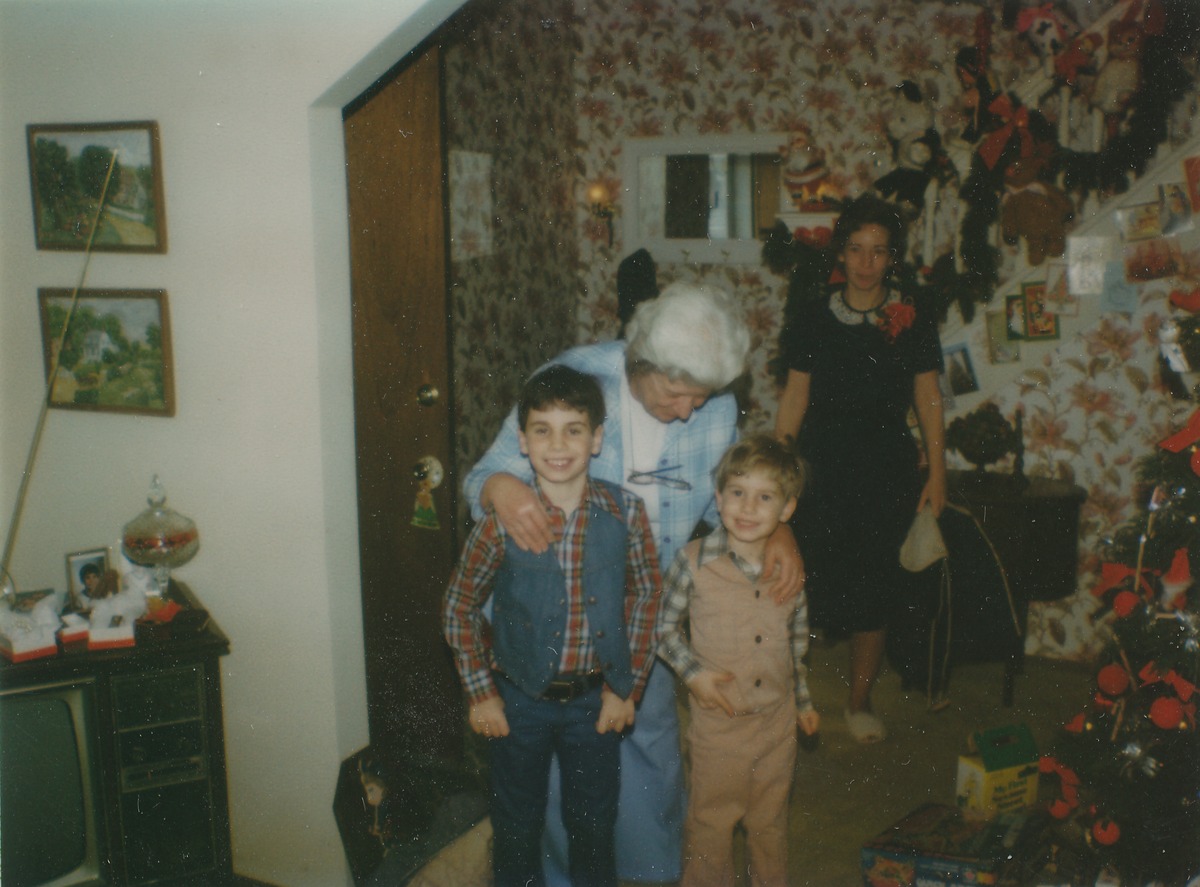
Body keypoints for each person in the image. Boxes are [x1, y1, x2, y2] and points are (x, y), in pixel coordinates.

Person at [463, 281, 805, 883]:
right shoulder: (574, 380)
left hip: (640, 613)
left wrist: (778, 532)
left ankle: (652, 875)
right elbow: (483, 478)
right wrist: (500, 488)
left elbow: (734, 496)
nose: (687, 411)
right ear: (640, 361)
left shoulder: (715, 409)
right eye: (675, 393)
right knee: (548, 771)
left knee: (649, 744)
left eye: (701, 397)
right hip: (553, 622)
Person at [444, 365, 662, 887]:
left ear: (596, 438)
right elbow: (459, 606)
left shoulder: (625, 512)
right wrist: (482, 695)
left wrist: (624, 688)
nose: (558, 444)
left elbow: (647, 594)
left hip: (596, 701)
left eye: (574, 429)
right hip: (519, 699)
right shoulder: (503, 521)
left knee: (592, 823)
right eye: (542, 430)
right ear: (522, 441)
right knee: (516, 824)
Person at [774, 194, 946, 744]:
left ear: (892, 257)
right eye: (856, 249)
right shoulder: (812, 313)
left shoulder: (913, 314)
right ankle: (785, 698)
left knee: (874, 584)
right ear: (840, 254)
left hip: (885, 465)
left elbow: (928, 396)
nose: (867, 262)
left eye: (879, 251)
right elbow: (795, 396)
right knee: (801, 580)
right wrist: (779, 471)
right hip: (821, 464)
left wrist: (937, 473)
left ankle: (858, 700)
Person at [657, 434, 820, 887]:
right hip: (719, 722)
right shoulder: (692, 563)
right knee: (711, 823)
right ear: (718, 497)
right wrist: (695, 677)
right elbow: (661, 629)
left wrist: (803, 704)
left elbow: (795, 646)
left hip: (776, 723)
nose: (747, 508)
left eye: (764, 497)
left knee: (769, 823)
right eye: (737, 493)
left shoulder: (789, 572)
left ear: (786, 509)